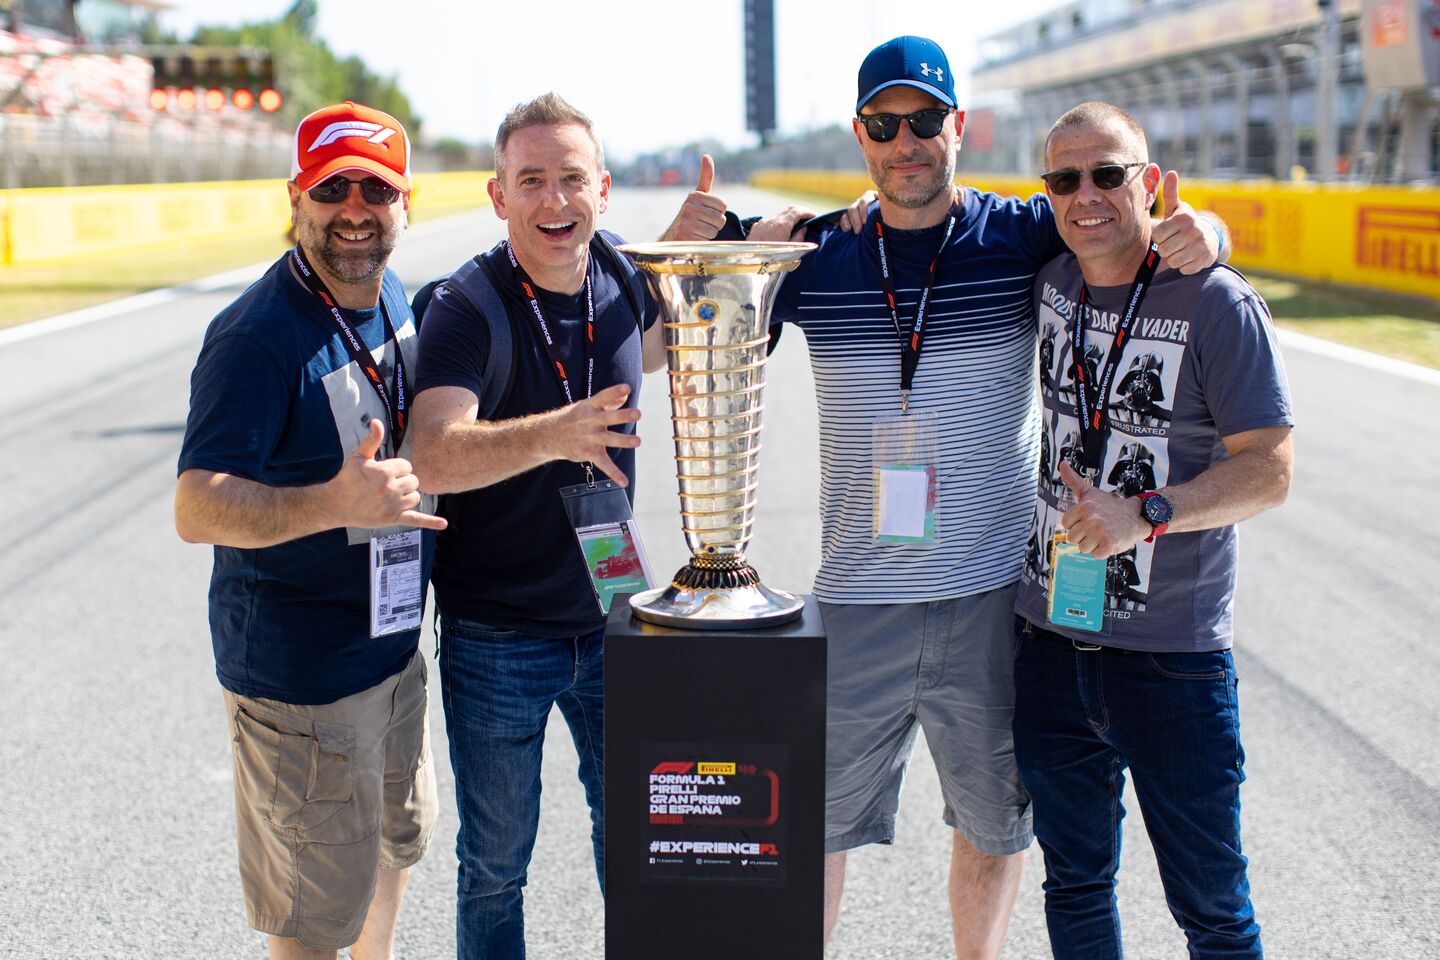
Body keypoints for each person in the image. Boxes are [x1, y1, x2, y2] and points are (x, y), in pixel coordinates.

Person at [676, 36, 1230, 960]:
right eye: (886, 125)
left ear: (958, 129)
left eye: (926, 120)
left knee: (994, 825)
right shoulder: (817, 251)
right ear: (861, 135)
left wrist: (1210, 228)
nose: (908, 143)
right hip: (856, 595)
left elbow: (1130, 218)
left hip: (990, 594)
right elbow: (679, 349)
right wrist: (711, 251)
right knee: (814, 825)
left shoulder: (1022, 231)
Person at [1012, 101, 1292, 960]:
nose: (1086, 194)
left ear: (1152, 182)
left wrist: (1148, 514)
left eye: (1108, 174)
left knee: (1211, 910)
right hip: (1050, 643)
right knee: (1077, 886)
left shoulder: (1216, 301)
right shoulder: (1051, 277)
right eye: (1064, 178)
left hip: (1173, 661)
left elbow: (1271, 470)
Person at [174, 101, 445, 960]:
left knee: (392, 846)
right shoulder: (257, 336)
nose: (355, 210)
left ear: (408, 203)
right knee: (310, 915)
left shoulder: (391, 289)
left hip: (392, 648)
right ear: (297, 196)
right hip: (302, 682)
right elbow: (196, 505)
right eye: (334, 188)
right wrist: (334, 503)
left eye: (376, 188)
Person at [407, 92, 663, 960]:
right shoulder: (466, 306)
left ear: (604, 187)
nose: (556, 202)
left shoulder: (623, 277)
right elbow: (432, 454)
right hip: (496, 638)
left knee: (634, 848)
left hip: (614, 618)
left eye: (572, 180)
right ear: (498, 195)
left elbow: (669, 335)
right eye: (532, 182)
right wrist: (559, 430)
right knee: (493, 867)